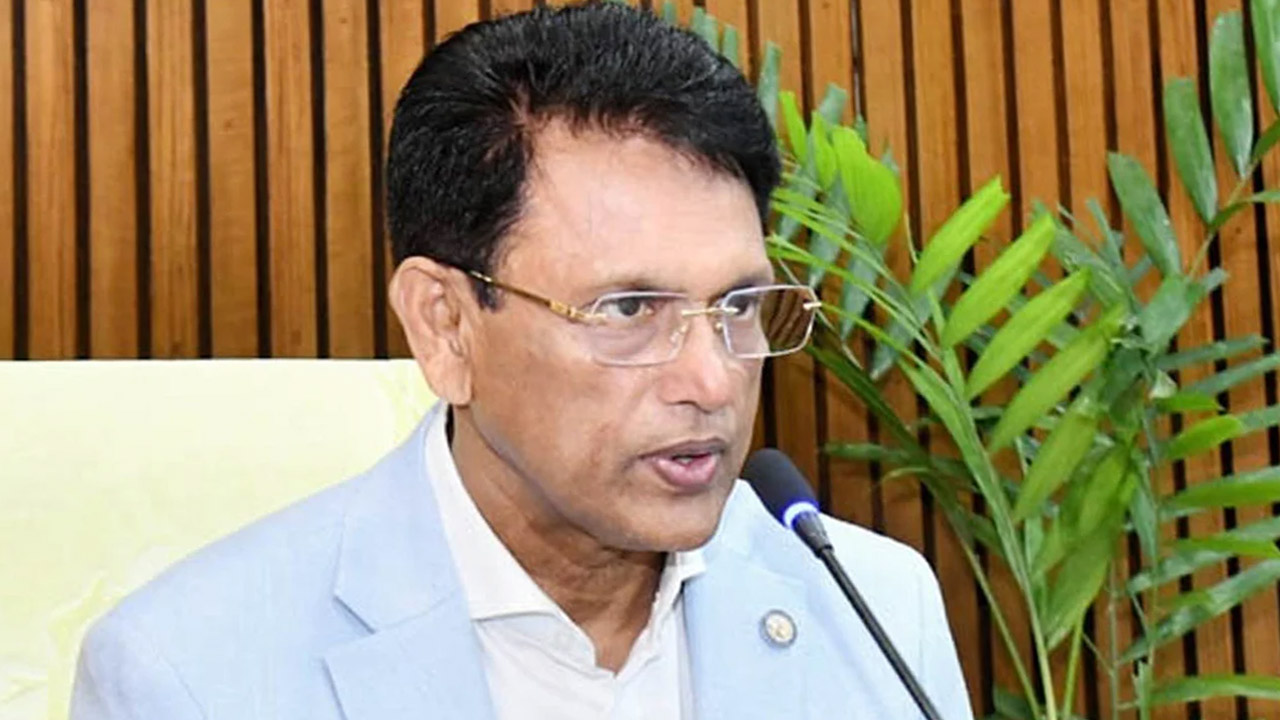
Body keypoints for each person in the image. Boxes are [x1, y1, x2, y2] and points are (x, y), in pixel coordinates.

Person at [70, 3, 972, 718]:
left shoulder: (874, 610)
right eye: (629, 310)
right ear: (446, 327)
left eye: (737, 306)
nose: (711, 382)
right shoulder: (188, 675)